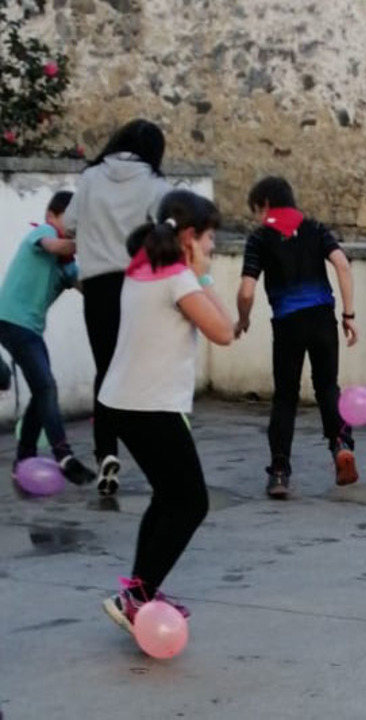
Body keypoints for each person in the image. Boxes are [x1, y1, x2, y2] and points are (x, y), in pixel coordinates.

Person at [100, 190, 234, 632]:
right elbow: (224, 331)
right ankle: (136, 596)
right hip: (150, 406)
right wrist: (203, 276)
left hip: (123, 403)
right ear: (190, 237)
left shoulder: (142, 270)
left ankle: (140, 590)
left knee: (168, 496)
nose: (213, 246)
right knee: (192, 502)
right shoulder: (178, 280)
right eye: (210, 238)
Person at [64, 119, 171, 496]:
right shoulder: (156, 185)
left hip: (97, 288)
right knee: (141, 370)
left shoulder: (90, 178)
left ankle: (105, 452)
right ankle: (152, 451)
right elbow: (168, 229)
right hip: (138, 285)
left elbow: (69, 223)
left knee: (106, 370)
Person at [235, 177, 360, 499]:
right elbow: (343, 265)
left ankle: (279, 472)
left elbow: (246, 291)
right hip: (322, 318)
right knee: (327, 386)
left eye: (257, 211)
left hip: (287, 323)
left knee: (285, 397)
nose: (258, 218)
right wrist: (348, 315)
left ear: (265, 204)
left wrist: (243, 319)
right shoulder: (315, 228)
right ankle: (341, 445)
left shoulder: (260, 238)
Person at [0, 191, 94, 485]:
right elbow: (55, 245)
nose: (74, 227)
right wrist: (93, 241)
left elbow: (90, 289)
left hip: (29, 330)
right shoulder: (42, 233)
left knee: (43, 390)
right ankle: (63, 455)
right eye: (71, 220)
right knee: (46, 387)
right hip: (11, 320)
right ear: (51, 215)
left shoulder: (67, 265)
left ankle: (24, 457)